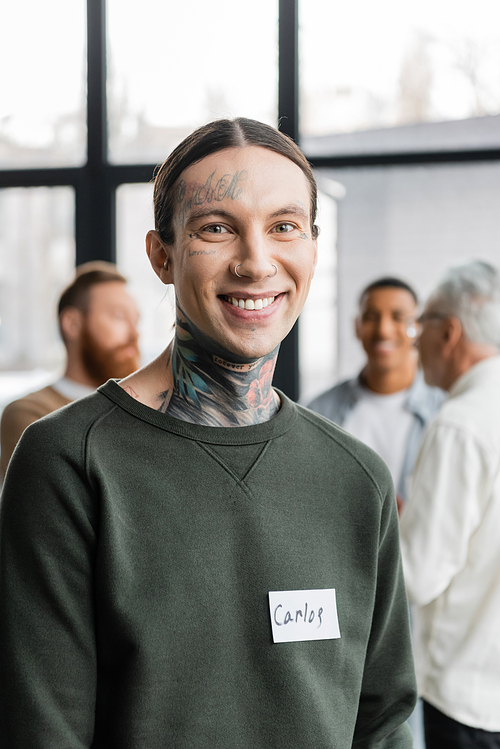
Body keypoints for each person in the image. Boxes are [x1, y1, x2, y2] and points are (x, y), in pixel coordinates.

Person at [0, 118, 416, 748]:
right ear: (162, 255)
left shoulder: (355, 478)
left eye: (284, 226)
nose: (256, 262)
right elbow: (42, 731)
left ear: (311, 247)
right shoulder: (71, 462)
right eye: (217, 228)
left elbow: (381, 723)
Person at [400, 261, 500, 748]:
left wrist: (391, 527)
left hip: (467, 694)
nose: (413, 342)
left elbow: (419, 574)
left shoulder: (460, 424)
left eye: (420, 326)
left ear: (450, 332)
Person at [308, 277, 445, 508]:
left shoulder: (443, 412)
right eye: (371, 318)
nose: (384, 329)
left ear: (417, 328)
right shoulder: (318, 412)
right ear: (357, 327)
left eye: (398, 318)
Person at [0, 261, 140, 477]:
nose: (134, 335)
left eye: (136, 321)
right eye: (118, 316)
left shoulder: (141, 408)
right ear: (72, 323)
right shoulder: (30, 414)